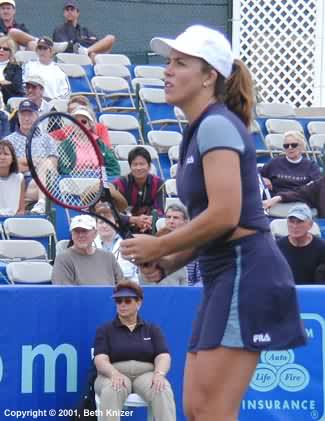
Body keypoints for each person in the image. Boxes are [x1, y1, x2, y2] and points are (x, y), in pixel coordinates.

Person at [120, 25, 306, 421]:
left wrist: (159, 246)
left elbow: (226, 214)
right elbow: (214, 224)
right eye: (168, 62)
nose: (167, 70)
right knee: (200, 410)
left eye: (180, 63)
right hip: (224, 273)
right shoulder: (198, 130)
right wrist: (169, 262)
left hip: (247, 271)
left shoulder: (216, 125)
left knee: (212, 413)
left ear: (210, 77)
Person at [93, 281, 176, 421]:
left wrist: (159, 374)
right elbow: (100, 359)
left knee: (162, 388)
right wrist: (113, 373)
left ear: (138, 303)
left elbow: (163, 355)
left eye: (127, 300)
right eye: (118, 301)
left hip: (146, 374)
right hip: (113, 373)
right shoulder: (105, 329)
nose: (122, 305)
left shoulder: (152, 329)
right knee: (112, 389)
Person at [5, 99, 58, 213]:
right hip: (18, 183)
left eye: (30, 114)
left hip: (42, 182)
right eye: (23, 114)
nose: (26, 118)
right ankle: (42, 202)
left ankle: (41, 202)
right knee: (44, 165)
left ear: (37, 115)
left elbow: (52, 165)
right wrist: (37, 162)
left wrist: (25, 162)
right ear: (18, 116)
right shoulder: (8, 141)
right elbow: (9, 167)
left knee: (46, 168)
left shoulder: (48, 139)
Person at [51, 214, 124, 285]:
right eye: (76, 231)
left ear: (95, 233)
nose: (80, 235)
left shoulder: (109, 257)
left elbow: (122, 286)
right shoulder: (63, 259)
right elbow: (63, 293)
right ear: (72, 234)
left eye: (84, 231)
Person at [113, 147, 165, 233]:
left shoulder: (159, 183)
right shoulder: (120, 183)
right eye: (135, 164)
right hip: (124, 227)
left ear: (149, 166)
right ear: (130, 167)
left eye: (142, 164)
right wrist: (133, 220)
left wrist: (148, 221)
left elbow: (159, 210)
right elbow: (112, 213)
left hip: (149, 226)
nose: (138, 168)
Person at [57, 106, 120, 177]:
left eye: (83, 121)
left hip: (98, 182)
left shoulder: (100, 144)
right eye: (75, 121)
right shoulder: (66, 144)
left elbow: (114, 168)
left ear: (90, 125)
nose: (79, 124)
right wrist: (80, 176)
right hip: (75, 183)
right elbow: (63, 168)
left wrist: (99, 176)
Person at [260, 130, 320, 196]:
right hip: (275, 201)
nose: (290, 148)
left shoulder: (311, 166)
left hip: (300, 201)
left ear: (302, 146)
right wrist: (263, 179)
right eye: (286, 145)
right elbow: (256, 174)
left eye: (294, 145)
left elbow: (315, 189)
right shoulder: (274, 162)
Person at [277, 203, 325, 285]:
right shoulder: (277, 247)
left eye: (300, 222)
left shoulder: (322, 248)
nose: (295, 226)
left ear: (310, 225)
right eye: (291, 221)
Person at [94, 206, 139, 283]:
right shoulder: (89, 245)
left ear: (116, 224)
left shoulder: (130, 242)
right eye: (101, 222)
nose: (104, 226)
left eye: (108, 222)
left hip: (127, 289)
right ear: (96, 226)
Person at [0, 139, 24, 215]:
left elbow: (21, 210)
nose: (2, 157)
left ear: (13, 158)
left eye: (6, 154)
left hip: (12, 221)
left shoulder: (20, 178)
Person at [0, 35, 23, 104]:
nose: (1, 50)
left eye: (5, 49)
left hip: (6, 100)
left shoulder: (15, 68)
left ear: (11, 52)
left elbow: (16, 87)